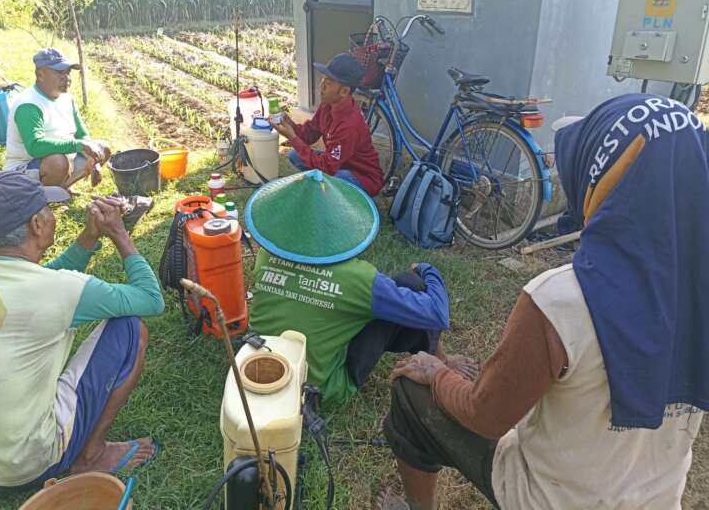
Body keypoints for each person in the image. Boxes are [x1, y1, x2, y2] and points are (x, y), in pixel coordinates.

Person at [378, 93, 708, 509]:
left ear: (599, 179)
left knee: (413, 388)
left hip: (550, 498)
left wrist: (438, 370)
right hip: (657, 499)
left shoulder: (564, 298)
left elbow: (487, 415)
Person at [0, 171, 166, 488]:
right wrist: (119, 234)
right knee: (129, 328)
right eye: (48, 209)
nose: (52, 215)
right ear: (36, 224)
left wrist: (88, 239)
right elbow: (151, 300)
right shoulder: (60, 290)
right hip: (25, 464)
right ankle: (91, 455)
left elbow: (37, 282)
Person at [246, 169, 450, 404]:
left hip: (258, 373)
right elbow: (437, 314)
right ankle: (439, 362)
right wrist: (427, 269)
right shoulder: (359, 278)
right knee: (409, 283)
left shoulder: (267, 253)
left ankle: (436, 355)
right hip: (320, 390)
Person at [272, 53, 384, 196]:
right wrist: (290, 124)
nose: (321, 86)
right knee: (296, 156)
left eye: (328, 83)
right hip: (340, 164)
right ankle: (324, 190)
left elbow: (327, 167)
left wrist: (293, 138)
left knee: (337, 178)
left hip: (363, 178)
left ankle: (344, 198)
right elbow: (309, 134)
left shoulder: (348, 125)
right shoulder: (327, 105)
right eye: (323, 79)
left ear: (344, 91)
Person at [4, 48, 111, 189]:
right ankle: (39, 199)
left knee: (103, 148)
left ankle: (60, 188)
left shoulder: (67, 99)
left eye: (68, 72)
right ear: (40, 75)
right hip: (25, 169)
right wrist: (78, 146)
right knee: (58, 161)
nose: (66, 77)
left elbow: (82, 134)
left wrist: (94, 160)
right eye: (59, 72)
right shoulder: (28, 105)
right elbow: (35, 147)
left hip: (64, 160)